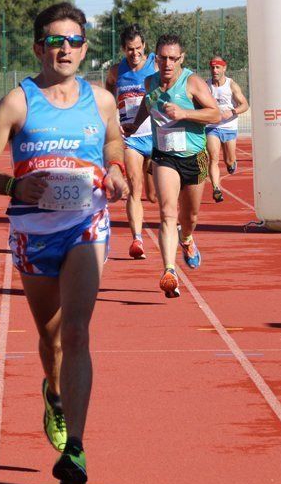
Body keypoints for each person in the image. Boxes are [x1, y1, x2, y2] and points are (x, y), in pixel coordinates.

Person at [0, 2, 128, 484]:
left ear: (84, 48)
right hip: (33, 233)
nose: (65, 48)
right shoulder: (18, 102)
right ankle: (53, 393)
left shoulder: (101, 100)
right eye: (55, 40)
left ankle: (75, 449)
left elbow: (114, 142)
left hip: (86, 224)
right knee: (52, 338)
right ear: (39, 47)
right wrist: (14, 188)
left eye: (74, 40)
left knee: (77, 332)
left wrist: (117, 169)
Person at [126, 34, 220, 298]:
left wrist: (185, 113)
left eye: (173, 58)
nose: (167, 63)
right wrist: (135, 124)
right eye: (163, 58)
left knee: (188, 217)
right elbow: (148, 103)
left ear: (181, 58)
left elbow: (216, 113)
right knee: (167, 213)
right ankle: (169, 270)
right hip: (164, 156)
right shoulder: (150, 82)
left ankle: (187, 239)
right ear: (156, 58)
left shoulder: (192, 83)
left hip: (194, 156)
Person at [105, 24, 158, 260]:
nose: (134, 54)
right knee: (134, 188)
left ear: (144, 46)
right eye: (129, 50)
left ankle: (178, 225)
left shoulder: (156, 64)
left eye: (138, 49)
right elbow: (108, 89)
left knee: (155, 195)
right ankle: (137, 239)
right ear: (123, 49)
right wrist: (111, 108)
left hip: (158, 137)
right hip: (132, 138)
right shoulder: (117, 71)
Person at [204, 55, 249, 203]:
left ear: (224, 68)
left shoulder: (231, 85)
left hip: (229, 127)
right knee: (213, 158)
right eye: (212, 67)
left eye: (218, 67)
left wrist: (232, 111)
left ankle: (232, 163)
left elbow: (244, 104)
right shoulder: (206, 86)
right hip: (212, 127)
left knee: (228, 160)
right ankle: (216, 188)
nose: (215, 70)